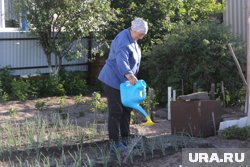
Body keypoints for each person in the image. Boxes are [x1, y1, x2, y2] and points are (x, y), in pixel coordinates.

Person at [98, 18, 148, 149]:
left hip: (125, 82)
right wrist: (130, 75)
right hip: (113, 80)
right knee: (116, 111)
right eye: (140, 34)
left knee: (127, 109)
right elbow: (122, 61)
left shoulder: (133, 39)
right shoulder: (123, 40)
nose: (141, 37)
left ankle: (125, 138)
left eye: (143, 35)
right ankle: (114, 143)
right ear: (134, 30)